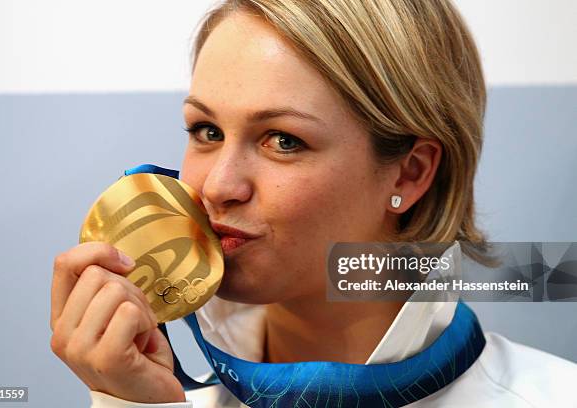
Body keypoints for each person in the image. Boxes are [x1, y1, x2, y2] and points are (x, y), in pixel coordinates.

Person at [50, 0, 577, 407]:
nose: (217, 186)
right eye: (206, 130)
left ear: (410, 172)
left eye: (282, 140)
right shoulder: (156, 393)